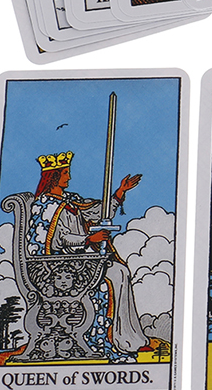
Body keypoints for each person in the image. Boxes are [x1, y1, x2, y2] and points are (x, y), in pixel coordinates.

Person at [27, 151, 150, 357]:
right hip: (61, 267)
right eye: (65, 173)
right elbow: (60, 239)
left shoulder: (70, 200)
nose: (69, 177)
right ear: (54, 177)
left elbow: (98, 212)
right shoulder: (45, 206)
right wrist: (88, 239)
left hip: (83, 260)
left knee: (121, 271)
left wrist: (119, 192)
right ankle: (108, 339)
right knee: (115, 276)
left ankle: (130, 339)